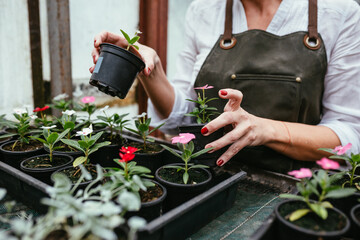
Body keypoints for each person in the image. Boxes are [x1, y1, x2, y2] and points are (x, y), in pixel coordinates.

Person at [90, 0, 360, 173]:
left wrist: (264, 129)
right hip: (215, 178)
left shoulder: (339, 12)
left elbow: (349, 134)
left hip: (296, 190)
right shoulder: (204, 10)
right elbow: (184, 119)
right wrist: (150, 70)